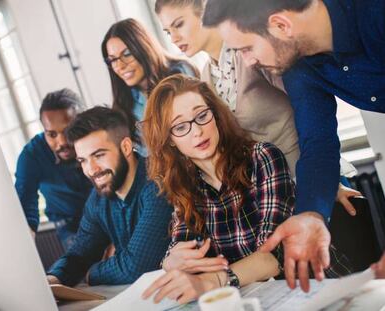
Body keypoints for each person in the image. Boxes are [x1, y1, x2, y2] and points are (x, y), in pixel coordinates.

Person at [202, 0, 385, 291]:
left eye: (246, 48)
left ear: (281, 25)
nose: (247, 62)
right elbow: (318, 142)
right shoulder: (299, 63)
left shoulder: (374, 13)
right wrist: (311, 214)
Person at [140, 74, 350, 304]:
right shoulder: (186, 186)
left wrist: (213, 281)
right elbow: (184, 247)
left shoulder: (263, 157)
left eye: (202, 116)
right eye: (180, 127)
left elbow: (274, 255)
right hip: (259, 299)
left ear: (216, 115)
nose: (197, 131)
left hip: (318, 288)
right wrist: (171, 261)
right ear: (169, 140)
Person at [154, 0, 299, 176]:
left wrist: (323, 175)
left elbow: (309, 104)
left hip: (304, 172)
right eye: (168, 32)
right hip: (264, 186)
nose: (174, 38)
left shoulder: (251, 52)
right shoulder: (205, 78)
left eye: (179, 25)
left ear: (205, 13)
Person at [46, 107, 173, 286]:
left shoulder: (158, 182)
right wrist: (53, 280)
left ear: (126, 147)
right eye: (83, 160)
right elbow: (79, 254)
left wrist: (91, 273)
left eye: (98, 155)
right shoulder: (98, 199)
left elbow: (136, 267)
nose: (91, 170)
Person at [101, 18, 198, 155]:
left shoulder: (181, 73)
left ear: (143, 47)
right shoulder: (125, 104)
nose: (120, 66)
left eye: (127, 54)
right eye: (113, 60)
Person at [14, 88, 92, 250]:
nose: (62, 141)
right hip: (70, 225)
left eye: (68, 130)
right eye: (52, 134)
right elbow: (25, 200)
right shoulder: (32, 155)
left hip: (109, 212)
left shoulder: (96, 138)